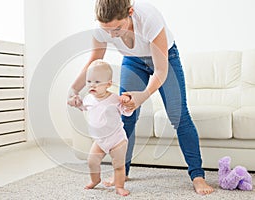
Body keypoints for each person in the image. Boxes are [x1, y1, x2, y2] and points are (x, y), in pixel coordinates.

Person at [68, 0, 214, 195]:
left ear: (130, 12)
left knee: (178, 115)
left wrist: (143, 96)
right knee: (126, 114)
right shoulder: (102, 27)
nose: (112, 35)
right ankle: (123, 172)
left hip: (165, 58)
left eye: (117, 29)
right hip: (132, 60)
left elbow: (161, 70)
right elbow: (95, 59)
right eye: (107, 30)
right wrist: (73, 90)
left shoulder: (149, 18)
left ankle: (197, 176)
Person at [69, 59, 133, 196]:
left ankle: (119, 186)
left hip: (117, 140)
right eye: (89, 81)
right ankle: (95, 179)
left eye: (97, 82)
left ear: (108, 84)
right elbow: (81, 107)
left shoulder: (115, 99)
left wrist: (127, 102)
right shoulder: (88, 99)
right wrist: (75, 102)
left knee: (118, 165)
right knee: (92, 161)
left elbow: (127, 112)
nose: (92, 85)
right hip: (100, 141)